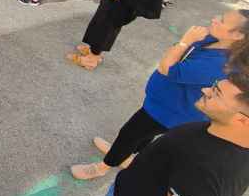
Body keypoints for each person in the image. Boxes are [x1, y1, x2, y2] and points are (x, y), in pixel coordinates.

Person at [30, 54, 249, 196]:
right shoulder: (227, 137)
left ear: (242, 121)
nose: (206, 90)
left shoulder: (204, 165)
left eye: (216, 93)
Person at [71, 10, 249, 181]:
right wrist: (183, 46)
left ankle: (103, 167)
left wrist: (184, 42)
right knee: (142, 135)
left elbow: (166, 68)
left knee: (129, 134)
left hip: (171, 111)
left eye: (222, 21)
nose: (215, 19)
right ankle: (125, 155)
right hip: (163, 100)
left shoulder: (220, 64)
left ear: (238, 36)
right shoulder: (212, 39)